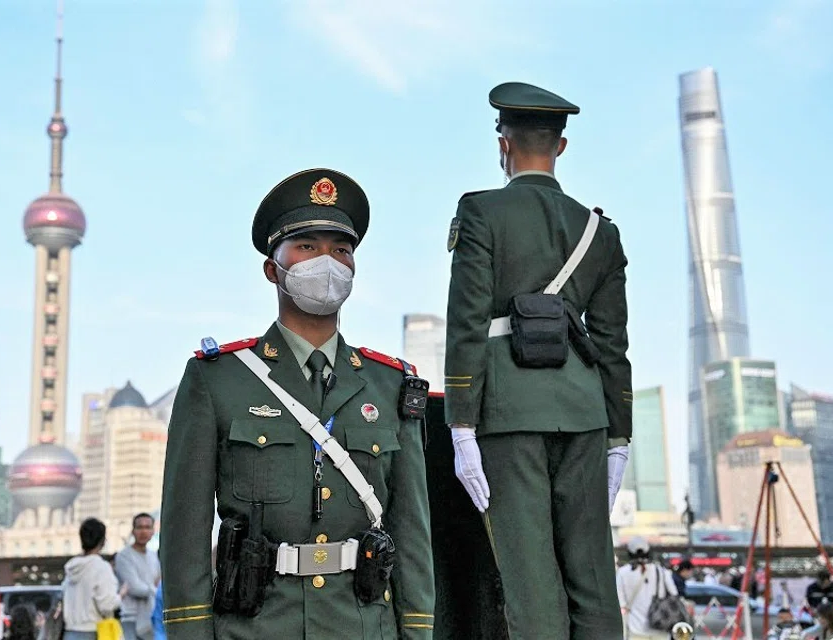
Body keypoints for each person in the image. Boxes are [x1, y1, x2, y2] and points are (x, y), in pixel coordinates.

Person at [160, 168, 435, 639]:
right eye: (307, 246)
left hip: (364, 626)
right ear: (273, 268)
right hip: (257, 626)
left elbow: (412, 531)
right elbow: (184, 532)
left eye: (341, 250)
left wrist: (417, 630)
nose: (326, 261)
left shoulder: (389, 384)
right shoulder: (218, 379)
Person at [443, 81, 631, 638]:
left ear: (503, 144)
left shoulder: (480, 212)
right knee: (594, 582)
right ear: (562, 147)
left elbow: (467, 323)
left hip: (508, 415)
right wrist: (619, 437)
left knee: (531, 583)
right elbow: (614, 344)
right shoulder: (601, 232)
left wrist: (460, 426)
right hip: (586, 416)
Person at [62, 518, 127, 640]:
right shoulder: (101, 567)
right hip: (94, 632)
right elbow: (107, 605)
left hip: (70, 632)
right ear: (102, 541)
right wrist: (121, 595)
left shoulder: (71, 568)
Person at [617, 538, 679, 640]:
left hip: (635, 628)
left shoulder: (622, 572)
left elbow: (620, 601)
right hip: (660, 625)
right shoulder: (662, 571)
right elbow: (674, 593)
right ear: (648, 552)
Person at [114, 513, 160, 640]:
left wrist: (152, 589)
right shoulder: (123, 556)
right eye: (139, 527)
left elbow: (158, 581)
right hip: (131, 619)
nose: (143, 531)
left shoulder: (153, 556)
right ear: (133, 531)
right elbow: (135, 588)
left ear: (153, 531)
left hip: (151, 617)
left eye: (147, 527)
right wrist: (154, 590)